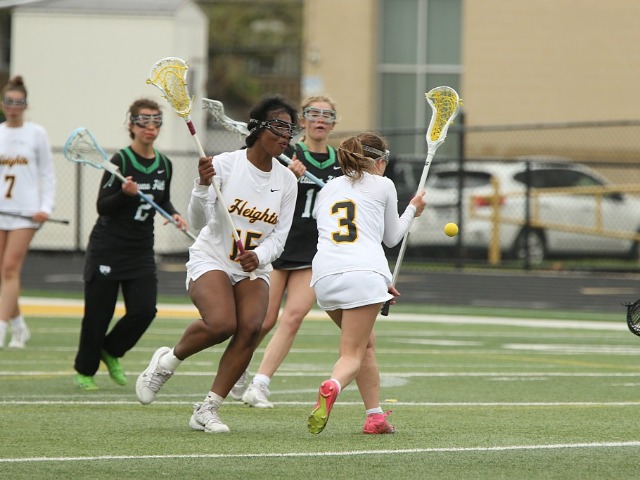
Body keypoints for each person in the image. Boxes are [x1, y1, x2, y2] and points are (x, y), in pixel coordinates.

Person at [135, 94, 299, 433]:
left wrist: (260, 256)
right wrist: (202, 185)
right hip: (212, 257)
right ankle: (167, 362)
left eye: (290, 130)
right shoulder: (225, 164)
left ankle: (208, 409)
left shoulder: (287, 181)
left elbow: (279, 238)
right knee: (222, 323)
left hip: (252, 267)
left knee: (250, 328)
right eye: (279, 127)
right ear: (258, 127)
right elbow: (198, 223)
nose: (286, 136)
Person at [307, 132, 426, 435]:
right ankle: (333, 384)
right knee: (352, 354)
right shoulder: (383, 184)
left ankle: (375, 417)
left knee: (365, 345)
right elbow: (392, 237)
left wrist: (377, 281)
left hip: (324, 277)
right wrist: (413, 209)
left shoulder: (328, 188)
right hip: (363, 274)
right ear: (379, 161)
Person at [73, 98, 188, 390]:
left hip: (140, 250)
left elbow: (162, 199)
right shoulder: (120, 161)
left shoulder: (164, 164)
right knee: (98, 315)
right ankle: (85, 370)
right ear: (132, 125)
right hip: (108, 248)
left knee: (144, 310)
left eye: (156, 121)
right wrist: (124, 193)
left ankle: (110, 350)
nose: (150, 127)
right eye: (143, 121)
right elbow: (102, 206)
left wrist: (173, 213)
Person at [237, 95, 341, 408]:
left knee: (293, 317)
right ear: (303, 121)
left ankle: (260, 384)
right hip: (278, 244)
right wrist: (290, 177)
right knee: (264, 320)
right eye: (313, 113)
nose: (320, 119)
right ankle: (237, 367)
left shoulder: (341, 162)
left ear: (334, 123)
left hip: (313, 250)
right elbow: (260, 189)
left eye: (327, 115)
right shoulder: (286, 153)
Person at [0, 75, 55, 349]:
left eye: (18, 102)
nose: (13, 107)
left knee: (10, 267)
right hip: (1, 210)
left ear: (26, 105)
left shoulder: (36, 133)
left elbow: (48, 173)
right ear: (2, 103)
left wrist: (46, 207)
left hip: (25, 214)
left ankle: (1, 329)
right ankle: (19, 326)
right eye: (9, 102)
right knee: (2, 272)